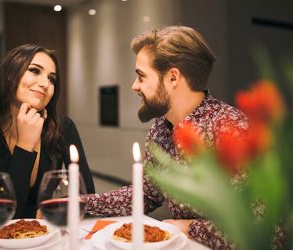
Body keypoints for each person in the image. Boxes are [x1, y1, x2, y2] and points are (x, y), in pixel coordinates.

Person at [82, 26, 250, 249]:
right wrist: (82, 203)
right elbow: (146, 194)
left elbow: (261, 228)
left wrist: (189, 227)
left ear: (172, 78)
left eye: (141, 76)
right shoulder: (160, 130)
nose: (135, 86)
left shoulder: (231, 129)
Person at [0, 44, 95, 219]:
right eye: (34, 71)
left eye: (52, 79)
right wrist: (25, 145)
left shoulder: (62, 128)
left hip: (46, 236)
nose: (45, 84)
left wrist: (56, 210)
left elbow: (88, 195)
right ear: (9, 76)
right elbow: (0, 215)